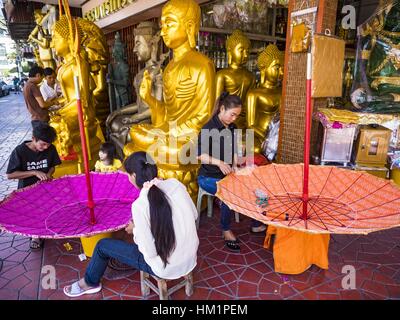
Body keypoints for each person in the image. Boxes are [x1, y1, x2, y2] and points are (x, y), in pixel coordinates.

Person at [63, 152, 199, 297]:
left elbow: (150, 252)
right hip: (191, 257)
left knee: (102, 246)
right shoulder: (176, 184)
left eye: (128, 175)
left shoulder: (140, 205)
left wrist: (136, 230)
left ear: (134, 176)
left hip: (164, 267)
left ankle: (89, 283)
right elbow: (194, 215)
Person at [197, 92, 266, 252]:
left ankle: (256, 223)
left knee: (256, 186)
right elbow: (199, 155)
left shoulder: (232, 127)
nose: (234, 119)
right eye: (232, 114)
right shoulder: (209, 128)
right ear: (222, 108)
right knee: (230, 192)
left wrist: (235, 165)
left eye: (237, 116)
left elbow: (234, 149)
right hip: (207, 177)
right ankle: (226, 229)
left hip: (228, 175)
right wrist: (220, 163)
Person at [6, 122, 61, 250]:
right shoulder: (20, 151)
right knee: (32, 213)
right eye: (42, 144)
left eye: (48, 144)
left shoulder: (50, 148)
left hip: (45, 187)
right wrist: (34, 172)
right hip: (27, 190)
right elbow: (10, 175)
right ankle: (35, 236)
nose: (46, 147)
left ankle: (46, 228)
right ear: (33, 139)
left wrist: (48, 174)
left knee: (47, 209)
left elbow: (53, 166)